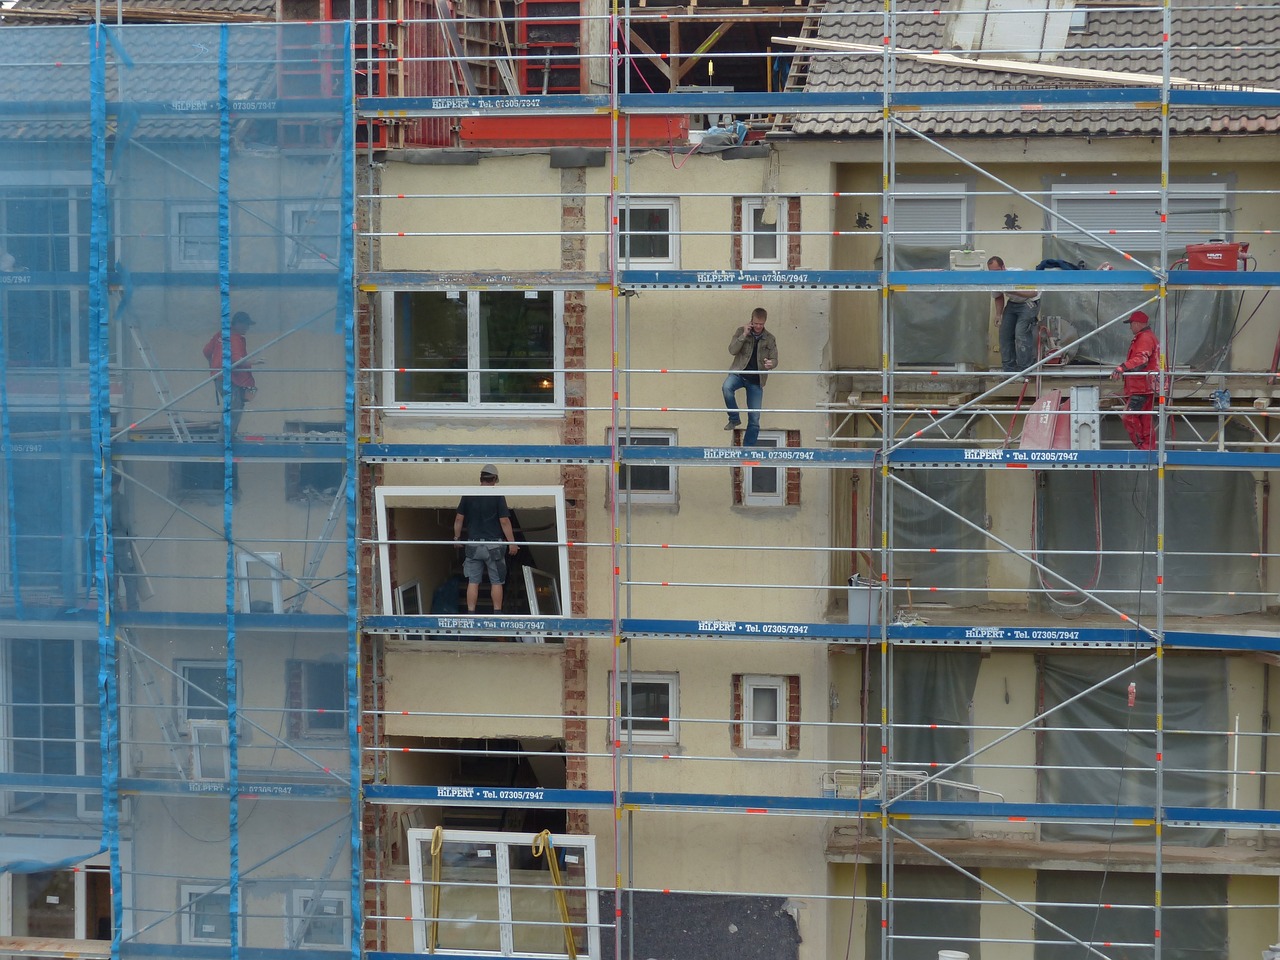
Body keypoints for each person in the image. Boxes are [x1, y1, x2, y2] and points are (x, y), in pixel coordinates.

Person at [453, 464, 519, 614]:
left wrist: (457, 538)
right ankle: (497, 613)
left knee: (473, 581)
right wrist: (512, 543)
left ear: (480, 478)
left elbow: (458, 518)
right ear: (495, 479)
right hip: (494, 546)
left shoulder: (469, 494)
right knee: (496, 582)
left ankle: (471, 613)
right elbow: (504, 521)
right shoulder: (497, 496)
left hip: (473, 545)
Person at [722, 307, 779, 446]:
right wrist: (744, 335)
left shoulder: (770, 338)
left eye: (761, 324)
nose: (758, 327)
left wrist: (771, 364)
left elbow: (775, 359)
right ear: (751, 321)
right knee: (726, 387)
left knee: (754, 418)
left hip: (756, 380)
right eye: (756, 323)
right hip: (739, 373)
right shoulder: (741, 331)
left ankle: (748, 449)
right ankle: (734, 418)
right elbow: (732, 350)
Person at [202, 311, 261, 437]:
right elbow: (236, 360)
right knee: (234, 408)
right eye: (246, 325)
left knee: (232, 407)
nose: (248, 328)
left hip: (219, 377)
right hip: (230, 379)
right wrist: (252, 362)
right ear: (238, 324)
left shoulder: (221, 334)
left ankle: (227, 436)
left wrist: (213, 366)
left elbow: (206, 351)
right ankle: (225, 438)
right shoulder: (235, 338)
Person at [1110, 310, 1161, 450]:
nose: (1130, 327)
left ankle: (1142, 446)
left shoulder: (1144, 338)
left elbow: (1141, 359)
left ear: (1137, 324)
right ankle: (1147, 447)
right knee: (1145, 419)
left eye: (1131, 324)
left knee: (1130, 417)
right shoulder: (1148, 337)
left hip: (1142, 387)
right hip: (1146, 386)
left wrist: (1122, 368)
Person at [987, 256, 1042, 373]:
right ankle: (1009, 371)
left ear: (1003, 267)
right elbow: (998, 296)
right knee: (1004, 334)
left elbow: (1033, 292)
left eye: (997, 271)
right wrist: (998, 314)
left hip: (1029, 302)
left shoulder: (1018, 274)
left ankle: (1025, 370)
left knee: (1021, 334)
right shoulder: (994, 279)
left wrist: (1013, 290)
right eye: (991, 273)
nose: (995, 275)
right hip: (1013, 303)